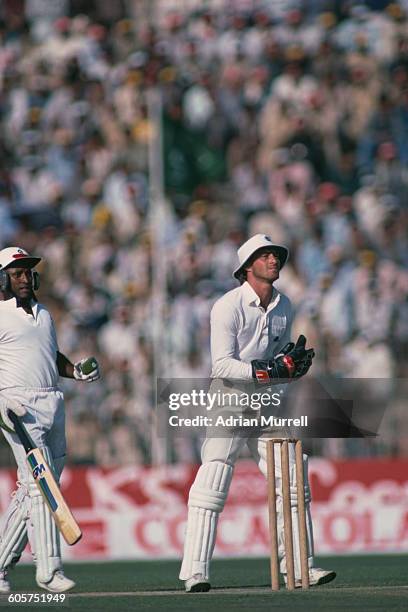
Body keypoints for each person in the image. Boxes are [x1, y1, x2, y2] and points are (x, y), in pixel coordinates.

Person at [179, 234, 336, 591]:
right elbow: (222, 366)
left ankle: (299, 568)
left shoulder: (285, 306)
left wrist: (291, 369)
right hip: (230, 400)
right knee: (213, 482)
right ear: (247, 266)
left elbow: (281, 360)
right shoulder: (227, 306)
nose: (273, 260)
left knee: (293, 478)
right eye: (265, 256)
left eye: (276, 255)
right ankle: (195, 573)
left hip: (266, 403)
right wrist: (268, 371)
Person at [0, 247, 100, 593]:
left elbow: (49, 355)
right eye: (17, 274)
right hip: (18, 404)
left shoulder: (44, 313)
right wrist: (1, 406)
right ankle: (48, 571)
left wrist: (75, 371)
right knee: (43, 488)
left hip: (53, 401)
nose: (25, 278)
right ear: (2, 279)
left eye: (28, 273)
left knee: (32, 490)